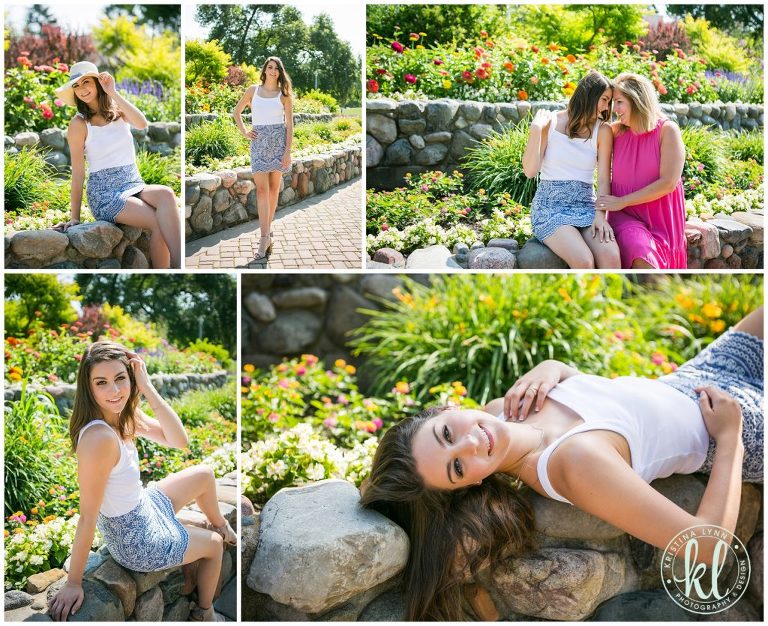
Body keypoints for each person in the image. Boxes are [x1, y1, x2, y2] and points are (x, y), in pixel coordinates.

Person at [362, 307, 763, 620]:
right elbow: (705, 546)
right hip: (739, 423)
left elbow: (607, 402)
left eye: (447, 433)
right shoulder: (573, 465)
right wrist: (730, 439)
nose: (471, 443)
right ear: (470, 485)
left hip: (694, 378)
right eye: (458, 468)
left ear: (444, 410)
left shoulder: (503, 409)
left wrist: (554, 369)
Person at [49, 342, 236, 622]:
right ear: (89, 388)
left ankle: (219, 523)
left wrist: (147, 388)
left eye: (120, 378)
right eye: (102, 382)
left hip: (143, 507)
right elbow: (87, 516)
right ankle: (205, 612)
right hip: (135, 540)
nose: (114, 391)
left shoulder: (123, 415)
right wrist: (74, 582)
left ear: (132, 376)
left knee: (204, 474)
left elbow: (179, 441)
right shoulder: (98, 438)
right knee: (212, 545)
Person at [53, 61, 181, 269]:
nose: (82, 89)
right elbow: (78, 173)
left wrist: (112, 92)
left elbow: (142, 124)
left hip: (133, 183)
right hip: (105, 193)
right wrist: (74, 217)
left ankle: (178, 264)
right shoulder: (79, 124)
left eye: (86, 82)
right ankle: (171, 270)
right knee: (158, 223)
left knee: (166, 193)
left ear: (97, 83)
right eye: (76, 86)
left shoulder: (118, 111)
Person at [522, 71, 621, 269]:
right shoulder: (550, 122)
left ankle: (610, 300)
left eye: (608, 102)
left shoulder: (603, 131)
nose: (605, 107)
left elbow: (603, 179)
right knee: (584, 261)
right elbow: (530, 171)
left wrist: (601, 216)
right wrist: (535, 130)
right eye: (603, 99)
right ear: (588, 95)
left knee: (611, 256)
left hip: (585, 205)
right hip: (550, 208)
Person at [597, 72, 688, 269]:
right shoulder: (614, 131)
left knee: (655, 268)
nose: (615, 109)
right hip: (625, 215)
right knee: (640, 250)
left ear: (637, 100)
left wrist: (622, 201)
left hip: (660, 218)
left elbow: (668, 183)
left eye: (619, 102)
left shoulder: (667, 130)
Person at [233, 56, 294, 261]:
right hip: (259, 143)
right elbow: (237, 112)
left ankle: (267, 232)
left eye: (277, 68)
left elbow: (290, 125)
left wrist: (287, 151)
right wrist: (244, 132)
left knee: (274, 189)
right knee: (261, 189)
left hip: (278, 143)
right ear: (265, 70)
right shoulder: (253, 90)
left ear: (280, 72)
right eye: (270, 67)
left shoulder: (284, 95)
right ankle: (264, 237)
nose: (273, 71)